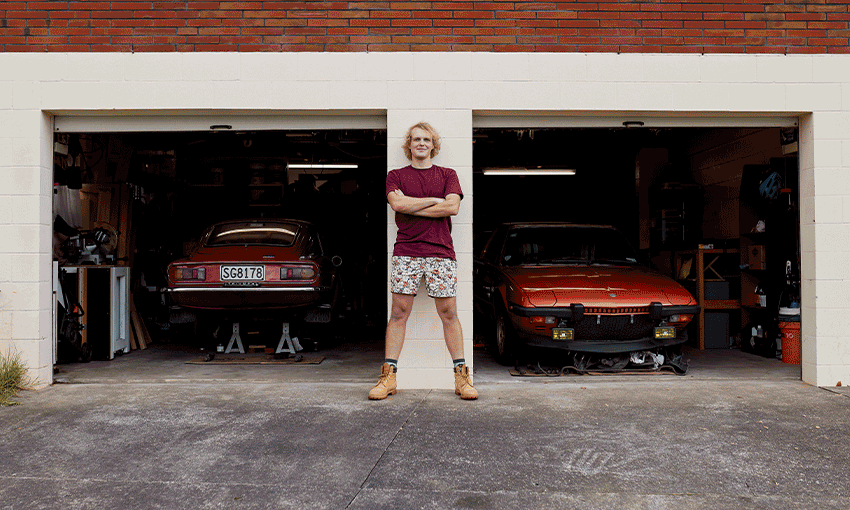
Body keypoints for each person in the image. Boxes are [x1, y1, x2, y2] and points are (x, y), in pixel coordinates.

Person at [368, 122, 478, 401]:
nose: (421, 143)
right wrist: (432, 200)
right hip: (406, 252)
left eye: (426, 139)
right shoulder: (396, 175)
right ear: (409, 144)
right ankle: (388, 378)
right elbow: (397, 205)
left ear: (433, 145)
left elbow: (452, 206)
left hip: (441, 252)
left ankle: (462, 379)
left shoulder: (448, 174)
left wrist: (413, 204)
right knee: (398, 313)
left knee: (449, 313)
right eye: (416, 139)